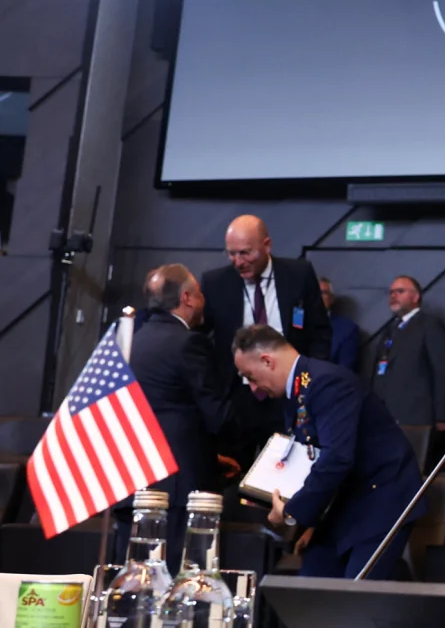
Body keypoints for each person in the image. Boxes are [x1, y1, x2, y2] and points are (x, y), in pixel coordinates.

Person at [231, 324, 425, 580]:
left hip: (381, 502)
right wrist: (312, 522)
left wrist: (293, 512)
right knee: (311, 596)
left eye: (251, 377)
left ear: (267, 361)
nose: (254, 387)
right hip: (344, 503)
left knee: (355, 605)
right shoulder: (301, 385)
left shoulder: (327, 383)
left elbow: (336, 458)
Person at [114, 264, 234, 573]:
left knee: (132, 581)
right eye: (200, 293)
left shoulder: (130, 344)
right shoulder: (188, 342)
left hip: (131, 484)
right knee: (172, 584)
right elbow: (218, 416)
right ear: (188, 298)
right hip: (176, 489)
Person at [200, 215, 332, 470]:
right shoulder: (215, 282)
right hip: (238, 397)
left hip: (290, 394)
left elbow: (320, 333)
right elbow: (201, 341)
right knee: (233, 476)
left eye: (246, 253)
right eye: (231, 254)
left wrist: (310, 384)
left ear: (267, 245)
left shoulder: (299, 274)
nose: (238, 262)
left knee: (288, 471)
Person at [370, 275, 445, 433]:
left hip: (415, 417)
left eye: (400, 291)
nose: (393, 296)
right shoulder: (390, 329)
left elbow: (443, 371)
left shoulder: (430, 324)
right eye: (391, 292)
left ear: (416, 296)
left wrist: (441, 416)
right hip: (385, 415)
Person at [319, 277, 359, 371]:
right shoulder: (295, 325)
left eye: (323, 293)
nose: (317, 296)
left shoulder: (347, 330)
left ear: (331, 299)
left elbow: (345, 371)